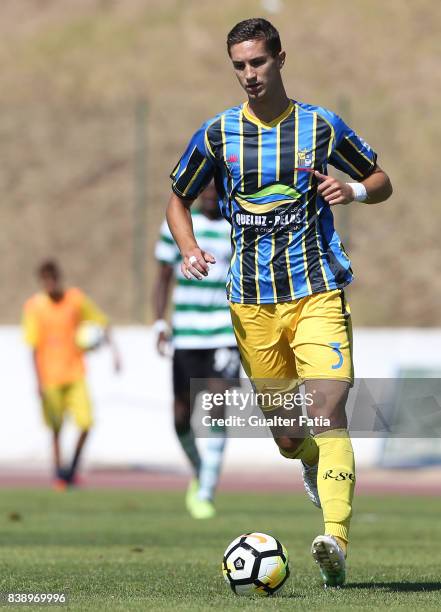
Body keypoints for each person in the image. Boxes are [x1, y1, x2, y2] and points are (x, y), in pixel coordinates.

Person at [165, 18, 392, 586]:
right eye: (239, 66)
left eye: (258, 63)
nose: (249, 75)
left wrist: (355, 189)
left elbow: (382, 179)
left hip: (317, 294)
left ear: (280, 59)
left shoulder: (320, 125)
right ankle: (312, 464)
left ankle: (335, 540)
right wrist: (189, 246)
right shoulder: (218, 134)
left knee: (329, 411)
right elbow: (177, 199)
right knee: (291, 439)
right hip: (251, 307)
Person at [153, 182, 240, 519]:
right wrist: (159, 322)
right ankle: (200, 468)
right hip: (186, 334)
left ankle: (206, 491)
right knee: (180, 415)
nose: (211, 196)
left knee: (218, 406)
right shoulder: (177, 225)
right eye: (206, 191)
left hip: (224, 332)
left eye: (217, 191)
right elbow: (162, 277)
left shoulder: (236, 224)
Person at [22, 260, 121, 490]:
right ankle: (59, 474)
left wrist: (115, 352)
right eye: (45, 281)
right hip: (49, 377)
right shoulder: (35, 307)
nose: (49, 284)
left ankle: (72, 468)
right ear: (41, 282)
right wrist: (37, 381)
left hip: (76, 374)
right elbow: (33, 346)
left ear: (58, 278)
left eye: (52, 279)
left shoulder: (75, 300)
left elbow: (101, 321)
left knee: (86, 423)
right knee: (56, 428)